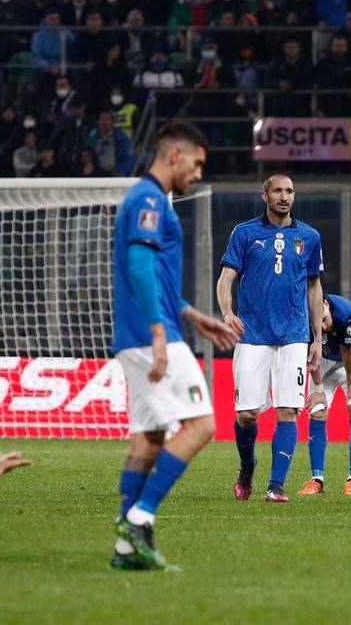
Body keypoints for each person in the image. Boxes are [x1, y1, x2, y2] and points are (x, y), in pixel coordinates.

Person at [110, 122, 239, 571]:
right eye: (197, 163)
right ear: (175, 155)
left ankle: (126, 550)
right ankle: (138, 519)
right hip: (150, 334)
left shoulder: (147, 199)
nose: (198, 173)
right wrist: (160, 331)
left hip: (139, 333)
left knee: (148, 438)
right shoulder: (149, 199)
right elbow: (139, 266)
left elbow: (157, 280)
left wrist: (192, 315)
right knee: (201, 426)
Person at [217, 175, 323, 504]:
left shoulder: (309, 236)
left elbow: (314, 287)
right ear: (265, 195)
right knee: (247, 414)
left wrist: (317, 337)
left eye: (289, 191)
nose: (284, 196)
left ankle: (276, 486)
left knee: (288, 410)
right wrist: (227, 313)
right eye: (277, 190)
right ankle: (247, 467)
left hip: (294, 336)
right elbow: (226, 278)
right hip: (253, 335)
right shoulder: (245, 232)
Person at [302, 294, 351, 496]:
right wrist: (318, 390)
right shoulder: (303, 316)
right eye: (318, 323)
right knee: (317, 411)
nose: (323, 327)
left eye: (324, 320)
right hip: (324, 358)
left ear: (325, 304)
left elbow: (347, 353)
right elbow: (310, 355)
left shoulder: (345, 312)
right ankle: (316, 480)